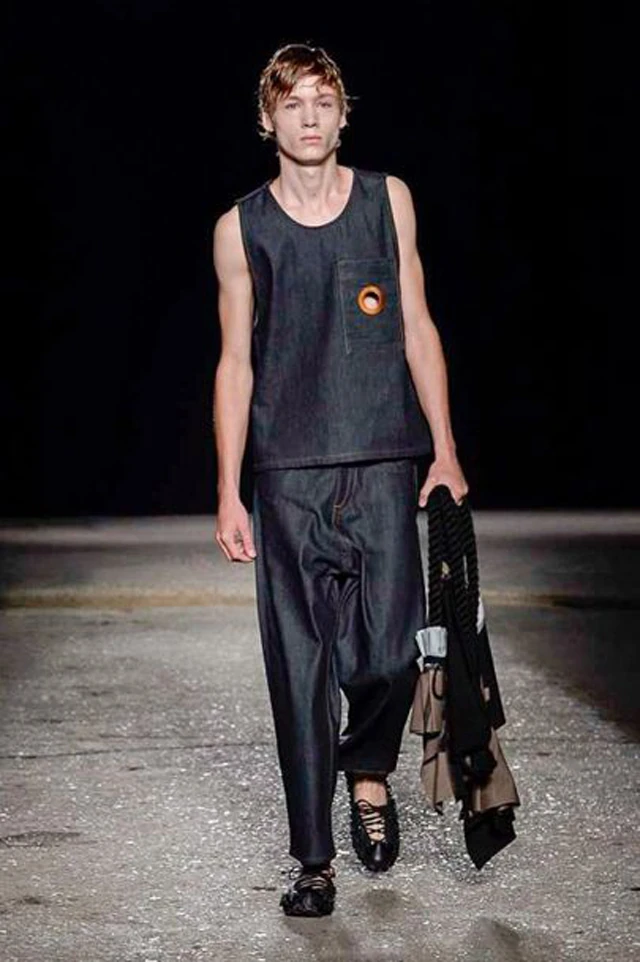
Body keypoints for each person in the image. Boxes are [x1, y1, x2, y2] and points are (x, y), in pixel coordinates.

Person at [212, 43, 468, 917]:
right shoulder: (241, 228)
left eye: (323, 100)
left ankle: (367, 769)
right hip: (287, 475)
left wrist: (444, 449)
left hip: (383, 458)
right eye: (293, 104)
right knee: (299, 670)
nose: (310, 117)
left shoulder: (386, 201)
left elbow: (417, 326)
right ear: (268, 120)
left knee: (392, 655)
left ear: (344, 112)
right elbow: (236, 363)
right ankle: (313, 862)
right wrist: (228, 489)